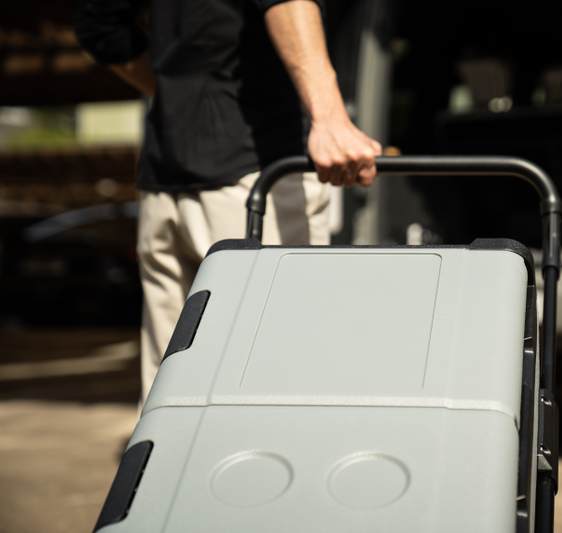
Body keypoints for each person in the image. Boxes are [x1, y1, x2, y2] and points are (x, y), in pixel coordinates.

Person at [74, 0, 382, 404]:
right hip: (255, 177)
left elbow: (98, 23)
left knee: (172, 381)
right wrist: (330, 118)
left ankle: (169, 468)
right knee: (274, 375)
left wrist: (181, 97)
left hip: (164, 184)